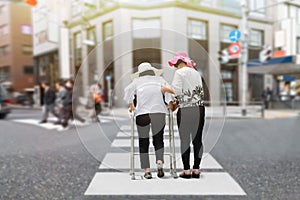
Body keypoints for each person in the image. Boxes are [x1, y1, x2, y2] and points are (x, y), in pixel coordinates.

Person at [124, 62, 174, 179]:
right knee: (158, 139)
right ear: (152, 71)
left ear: (140, 73)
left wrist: (131, 105)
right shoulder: (160, 80)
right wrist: (170, 103)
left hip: (142, 114)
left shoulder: (136, 82)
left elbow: (128, 92)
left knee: (143, 141)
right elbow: (168, 92)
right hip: (158, 113)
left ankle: (147, 170)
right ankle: (160, 162)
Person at [168, 52, 205, 179]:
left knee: (185, 140)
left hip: (185, 110)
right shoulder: (196, 73)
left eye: (176, 64)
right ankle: (196, 169)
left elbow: (176, 90)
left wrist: (166, 90)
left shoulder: (180, 73)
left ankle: (186, 170)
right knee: (197, 140)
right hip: (199, 108)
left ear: (181, 62)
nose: (175, 67)